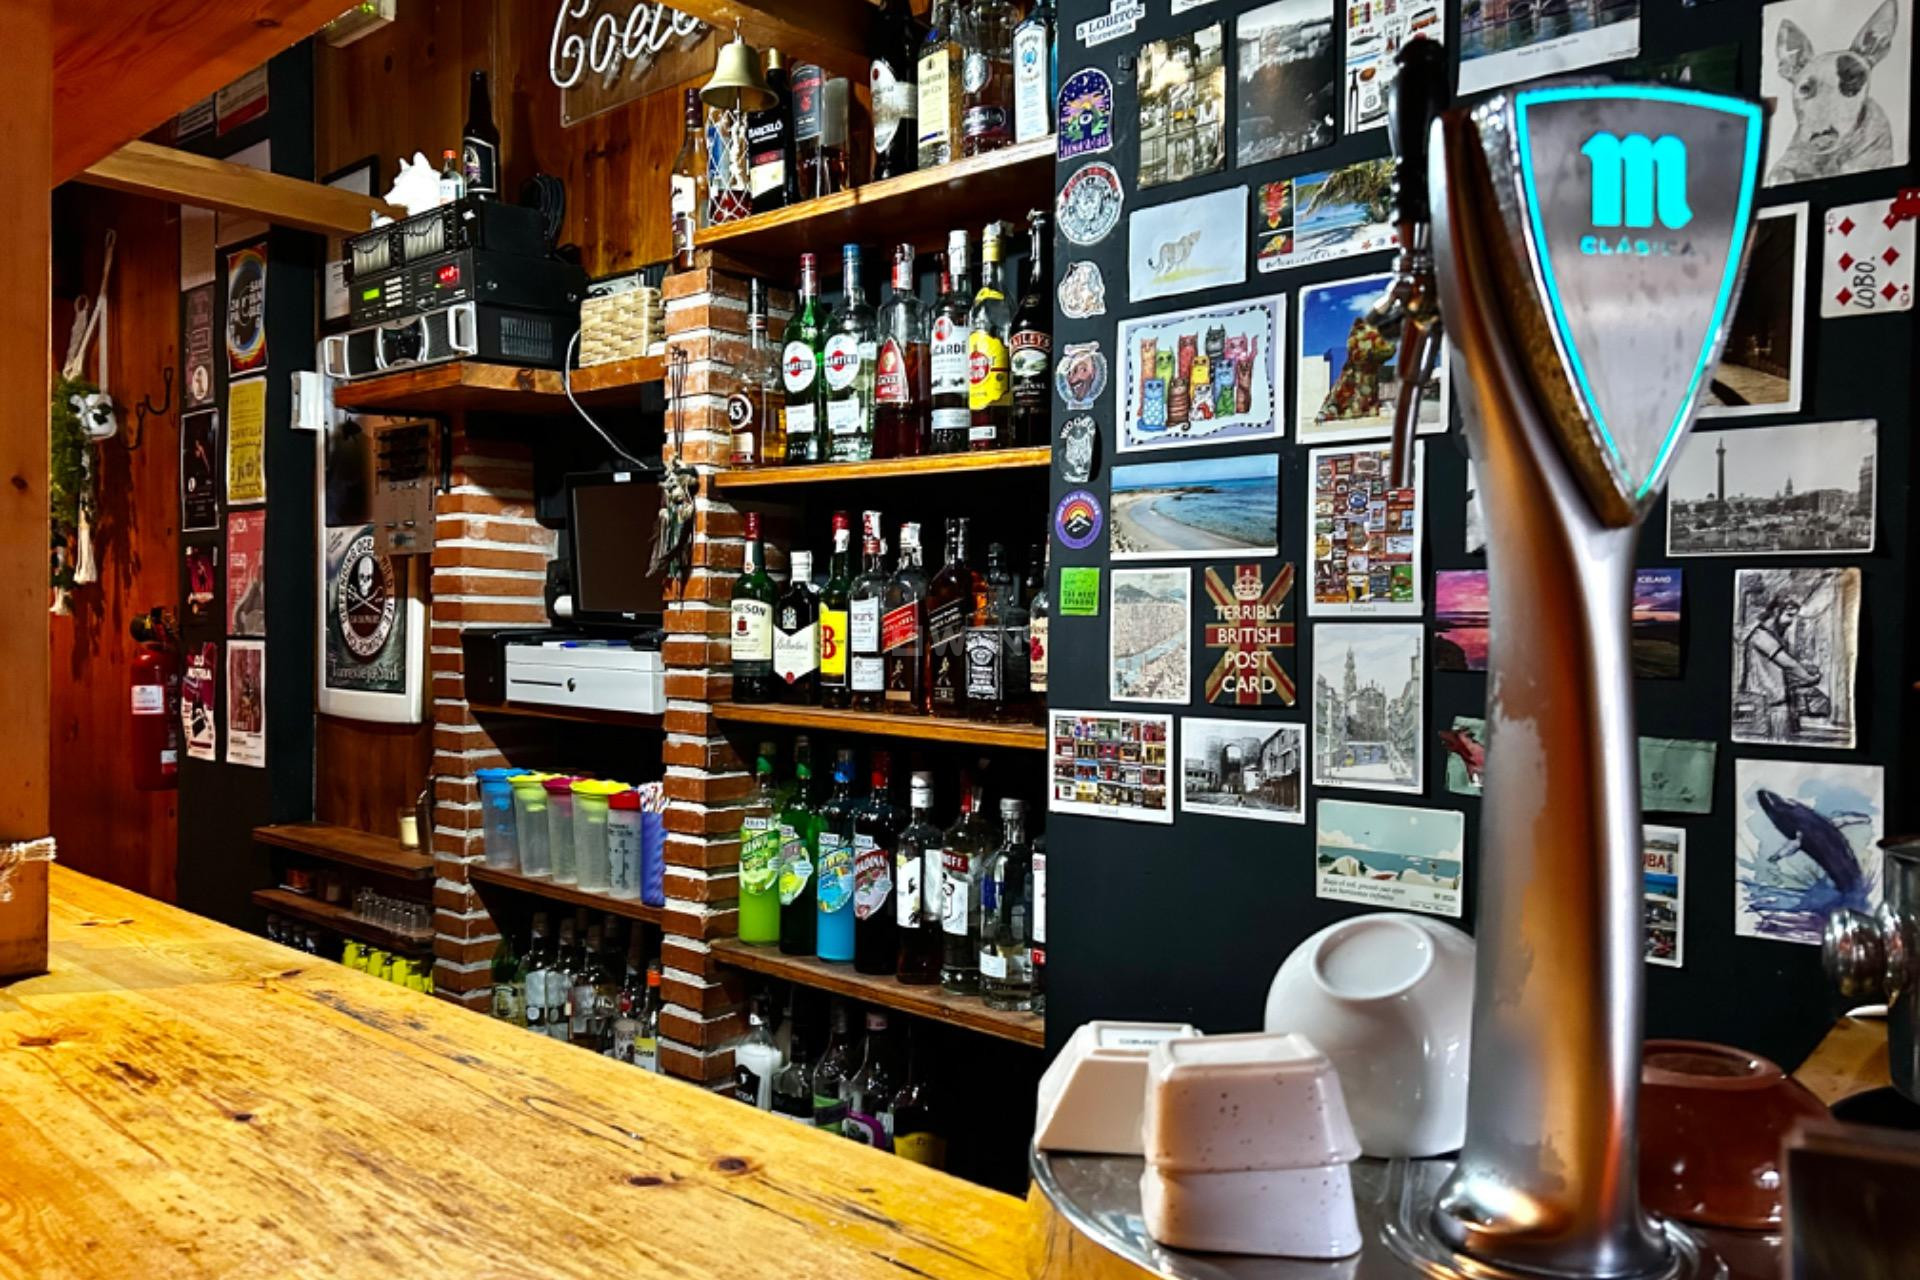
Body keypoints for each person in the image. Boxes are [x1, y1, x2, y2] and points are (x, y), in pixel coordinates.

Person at [1739, 595, 1821, 740]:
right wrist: (1809, 678)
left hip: (1772, 703)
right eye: (1789, 615)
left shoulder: (1767, 634)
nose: (1791, 621)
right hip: (1770, 705)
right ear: (1776, 611)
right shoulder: (1761, 636)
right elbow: (1788, 664)